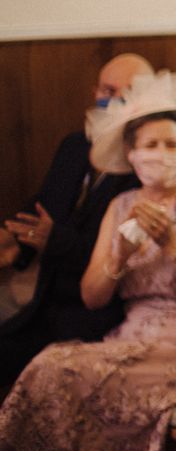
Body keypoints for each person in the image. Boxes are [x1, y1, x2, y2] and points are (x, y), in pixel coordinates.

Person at [0, 71, 176, 451]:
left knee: (57, 371)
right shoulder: (120, 205)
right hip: (132, 336)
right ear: (132, 154)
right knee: (48, 365)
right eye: (150, 145)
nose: (161, 154)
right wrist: (119, 257)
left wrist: (171, 242)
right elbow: (93, 297)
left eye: (171, 145)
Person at [0, 53, 153, 386]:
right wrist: (14, 242)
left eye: (127, 94)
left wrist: (52, 240)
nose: (114, 101)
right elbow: (41, 209)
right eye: (108, 90)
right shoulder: (74, 146)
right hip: (48, 300)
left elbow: (128, 254)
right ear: (94, 90)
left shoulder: (149, 165)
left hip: (99, 315)